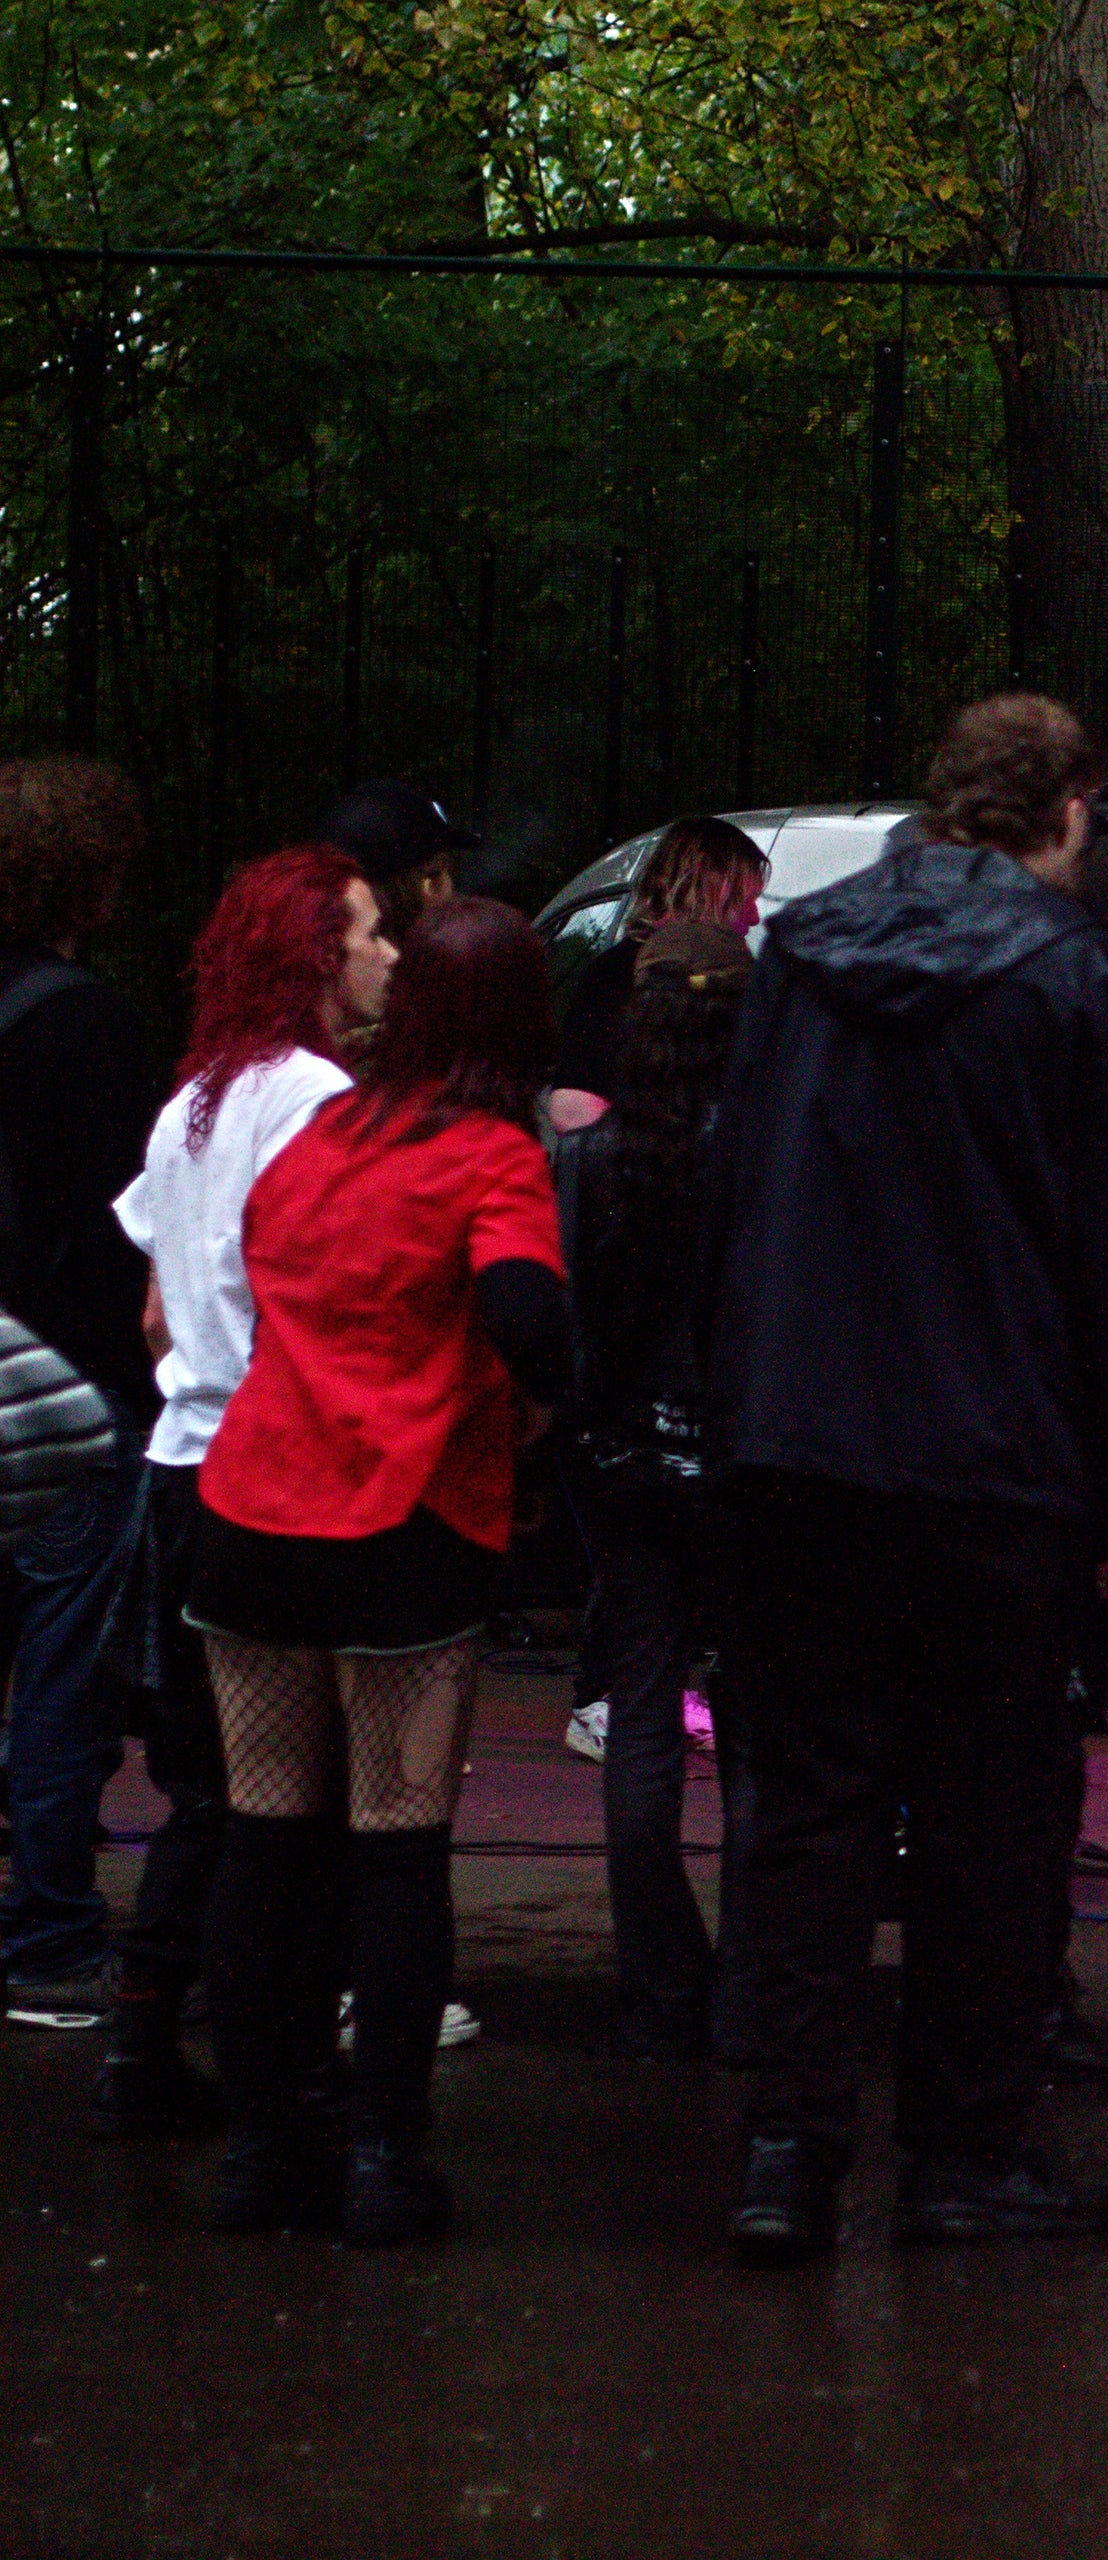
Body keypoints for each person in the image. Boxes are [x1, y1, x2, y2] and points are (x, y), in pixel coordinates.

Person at [703, 695, 1108, 2266]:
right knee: (993, 1813)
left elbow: (736, 1188)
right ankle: (963, 2153)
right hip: (995, 1458)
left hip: (801, 1437)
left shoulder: (803, 956)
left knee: (810, 1805)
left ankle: (788, 2149)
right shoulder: (1082, 979)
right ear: (1068, 810)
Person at [186, 898, 570, 2247]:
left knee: (263, 1836)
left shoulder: (318, 1137)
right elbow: (526, 1311)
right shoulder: (492, 1155)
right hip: (400, 1524)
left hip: (249, 1510)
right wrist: (537, 1398)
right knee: (397, 1850)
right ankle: (381, 2164)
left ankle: (260, 2151)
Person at [92, 846, 394, 2134]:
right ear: (317, 954)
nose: (391, 954)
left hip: (182, 1468)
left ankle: (144, 2034)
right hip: (273, 1472)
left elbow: (158, 1314)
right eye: (371, 932)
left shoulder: (195, 1103)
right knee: (288, 1798)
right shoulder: (321, 1098)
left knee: (213, 1787)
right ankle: (286, 2069)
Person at [553, 918, 757, 2059]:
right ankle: (752, 1987)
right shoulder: (771, 1154)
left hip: (627, 1460)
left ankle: (658, 1983)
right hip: (749, 1466)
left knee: (640, 1716)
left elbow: (574, 1317)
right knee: (760, 1730)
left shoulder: (594, 1154)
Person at [0, 755, 158, 2033]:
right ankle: (49, 1930)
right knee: (64, 1670)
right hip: (60, 1384)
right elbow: (119, 1235)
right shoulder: (88, 1025)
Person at [550, 815, 766, 1127]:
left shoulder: (745, 981)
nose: (755, 916)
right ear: (708, 890)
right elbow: (573, 1107)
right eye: (746, 899)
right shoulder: (616, 975)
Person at [316, 779, 478, 947]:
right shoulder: (452, 953)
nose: (452, 890)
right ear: (428, 884)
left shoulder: (316, 952)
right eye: (443, 871)